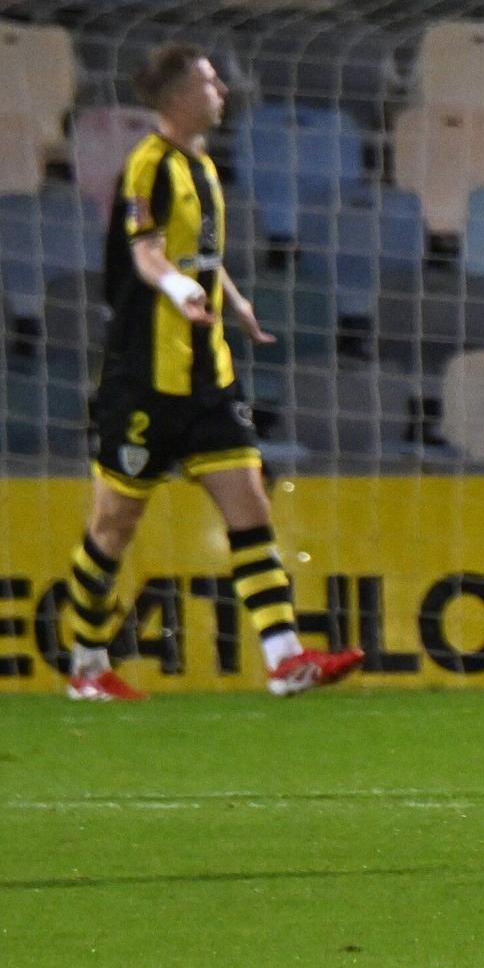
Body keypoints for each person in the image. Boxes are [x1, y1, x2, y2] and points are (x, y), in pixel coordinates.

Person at [62, 44, 364, 701]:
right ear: (175, 96)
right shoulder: (147, 165)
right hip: (144, 378)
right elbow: (146, 255)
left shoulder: (201, 165)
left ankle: (285, 660)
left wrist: (234, 300)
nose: (221, 88)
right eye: (207, 80)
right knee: (113, 526)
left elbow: (196, 253)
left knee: (250, 503)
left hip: (207, 378)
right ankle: (86, 663)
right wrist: (177, 292)